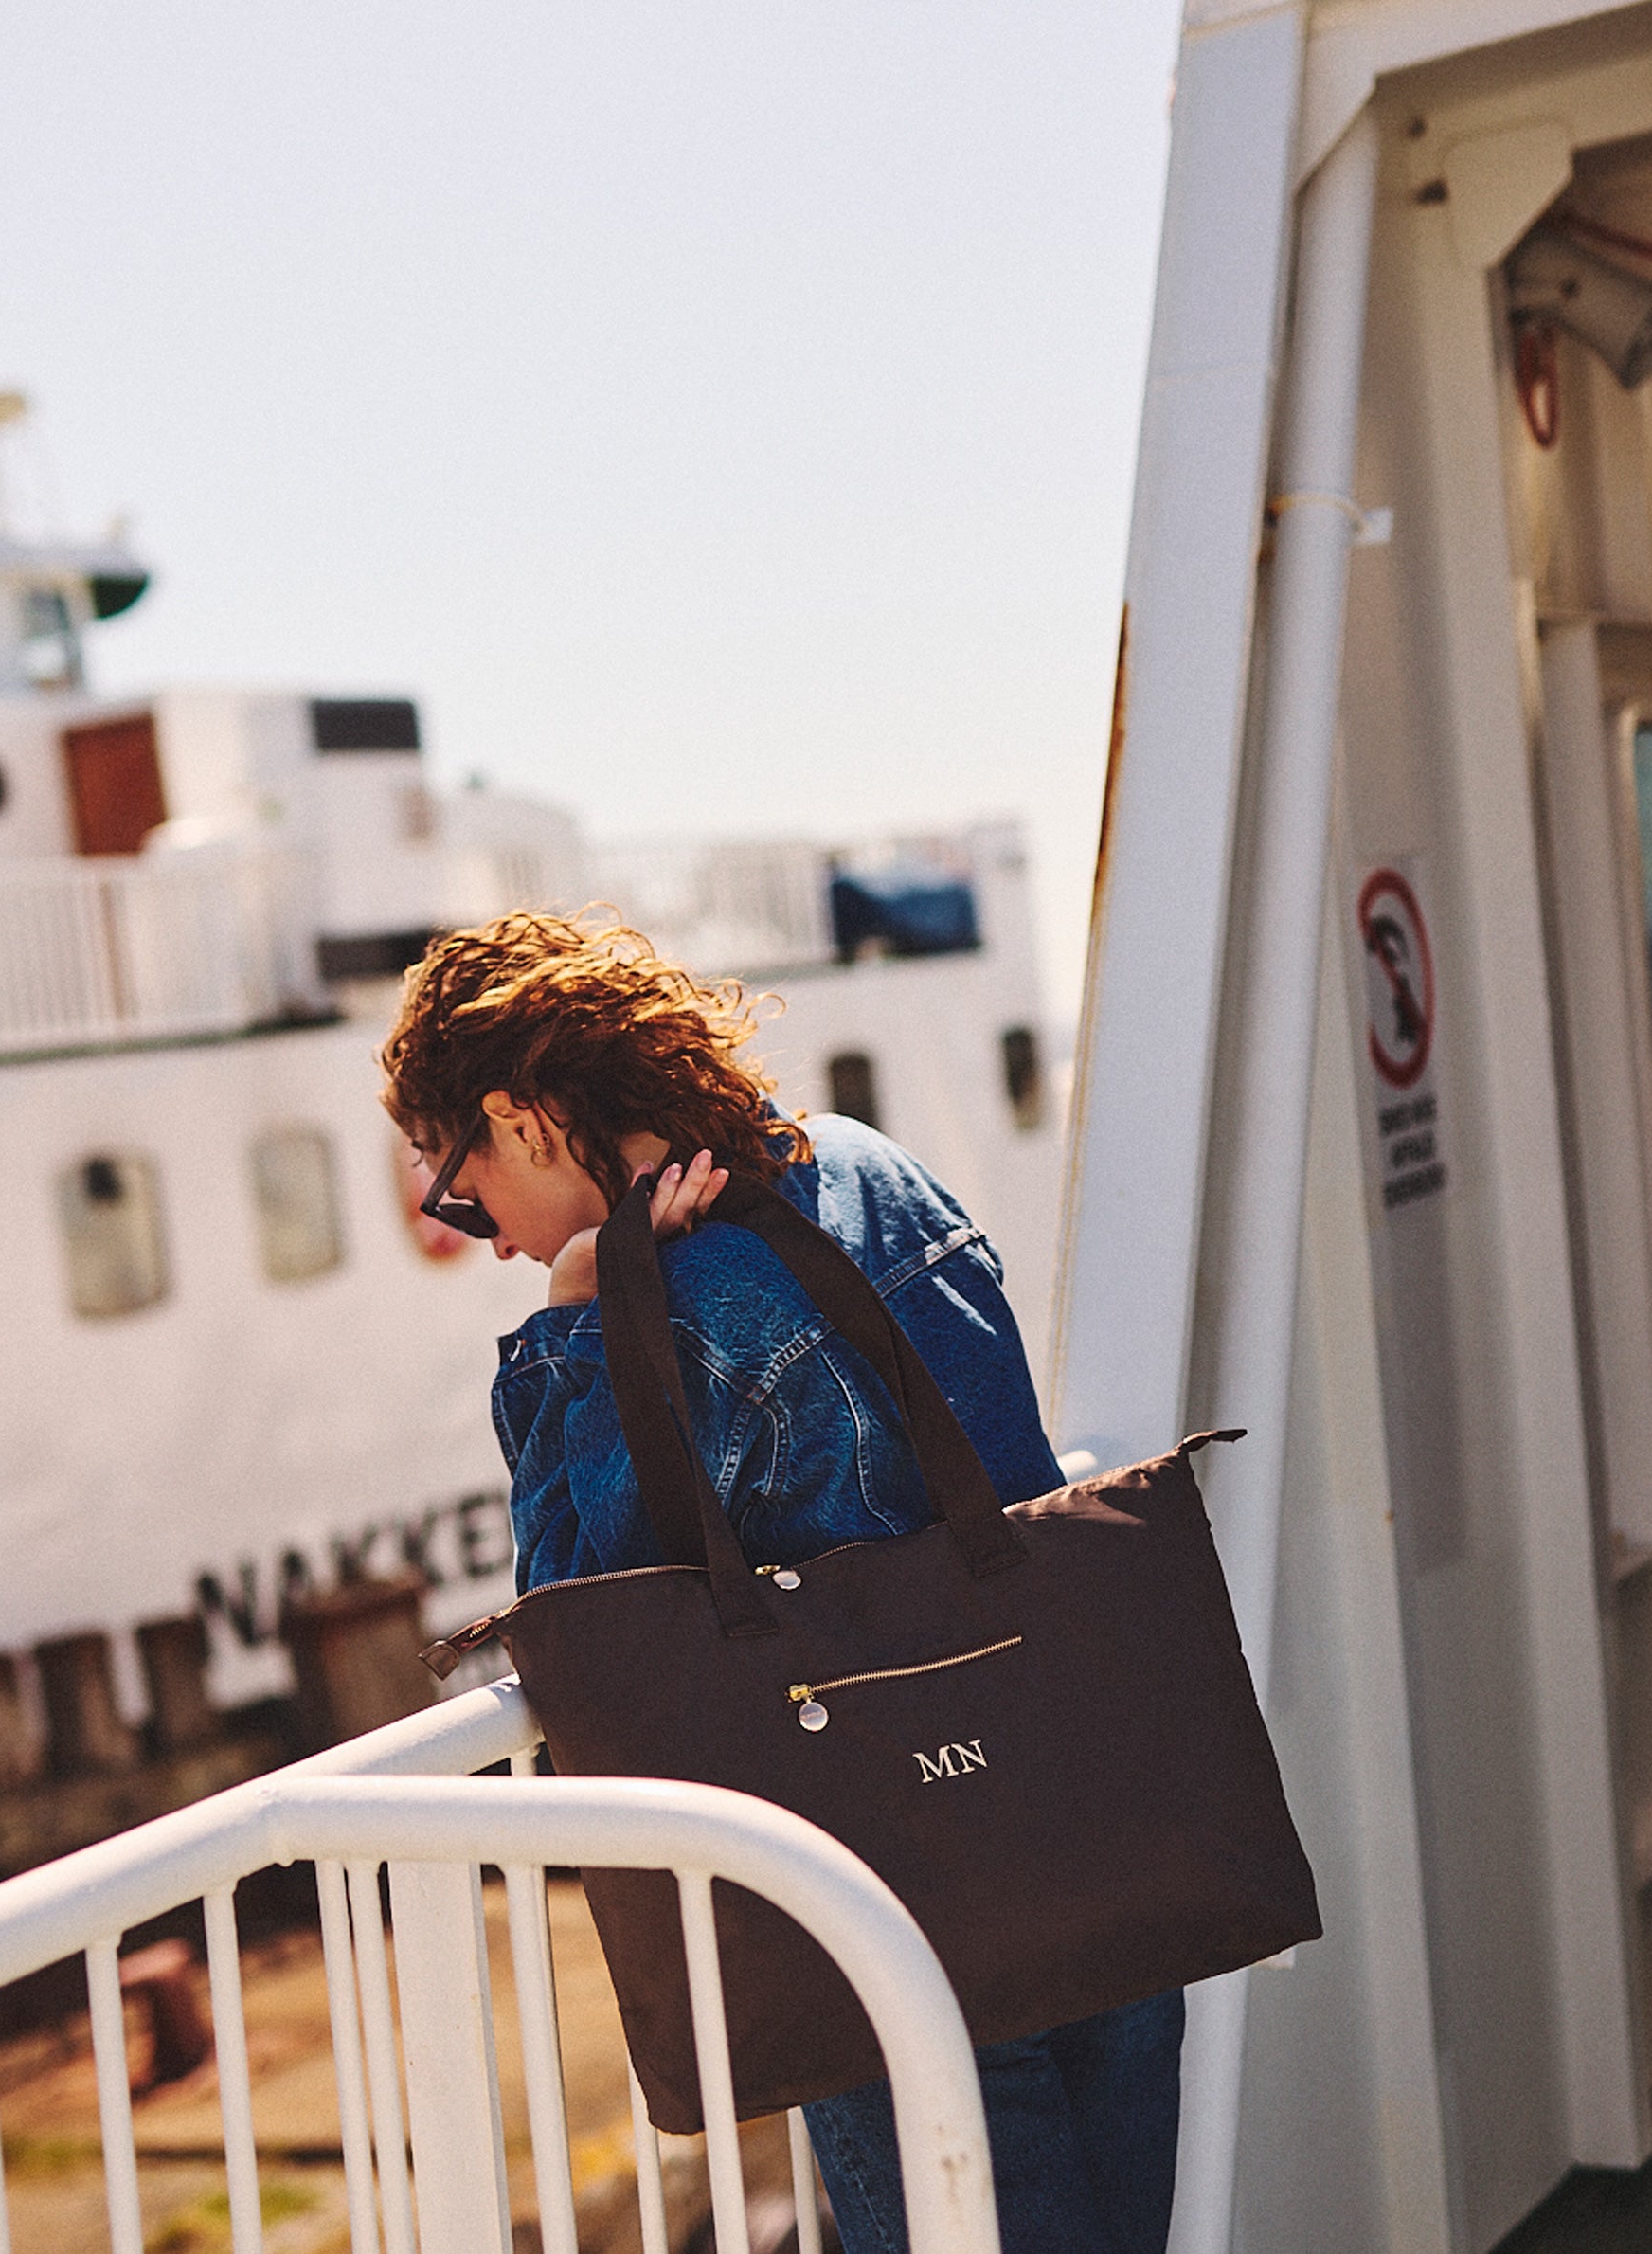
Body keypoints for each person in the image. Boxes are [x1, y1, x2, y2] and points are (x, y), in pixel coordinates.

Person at [381, 910, 1185, 2254]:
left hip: (892, 1911)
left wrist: (579, 1316)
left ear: (523, 1118)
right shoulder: (869, 1171)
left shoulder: (663, 1306)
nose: (476, 1231)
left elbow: (578, 1635)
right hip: (1080, 1824)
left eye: (453, 1182)